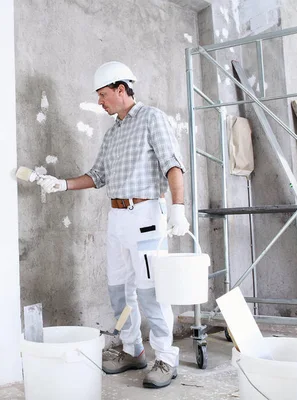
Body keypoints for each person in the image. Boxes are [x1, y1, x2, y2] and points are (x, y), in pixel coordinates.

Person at [37, 61, 190, 389]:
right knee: (120, 294)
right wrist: (61, 184)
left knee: (151, 294)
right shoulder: (113, 133)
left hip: (147, 217)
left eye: (104, 94)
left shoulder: (152, 119)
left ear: (122, 90)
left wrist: (178, 208)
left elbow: (173, 166)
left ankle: (165, 357)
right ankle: (133, 348)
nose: (100, 101)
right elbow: (97, 176)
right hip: (118, 219)